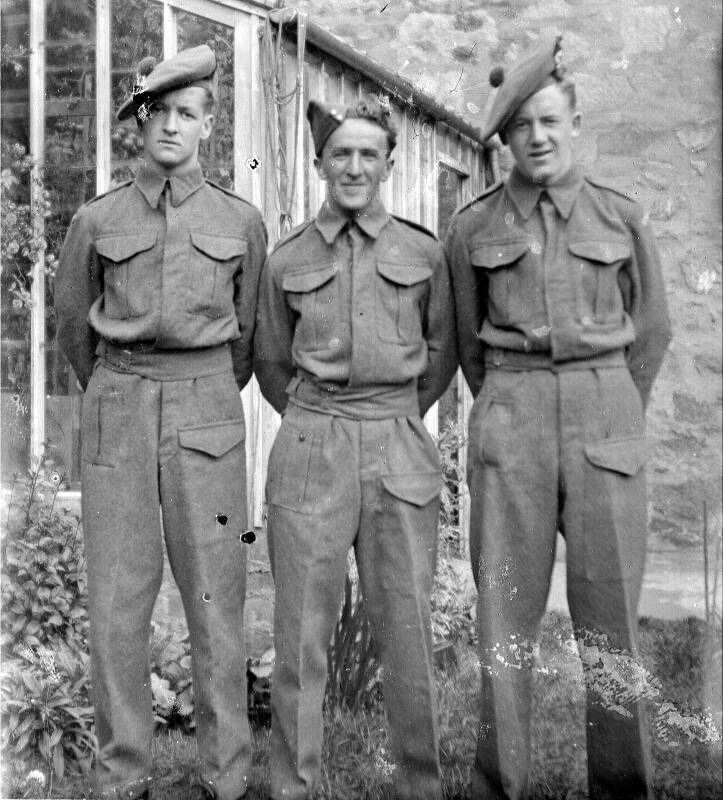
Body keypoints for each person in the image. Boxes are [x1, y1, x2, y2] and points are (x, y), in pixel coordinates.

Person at [445, 32, 671, 800]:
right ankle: (497, 784)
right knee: (503, 615)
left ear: (574, 123)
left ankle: (621, 785)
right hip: (511, 413)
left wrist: (612, 406)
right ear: (504, 139)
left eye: (548, 121)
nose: (536, 138)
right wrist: (511, 401)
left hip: (605, 414)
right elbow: (465, 339)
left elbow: (652, 330)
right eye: (520, 126)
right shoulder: (473, 227)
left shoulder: (620, 215)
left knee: (610, 617)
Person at [55, 45, 267, 800]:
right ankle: (124, 774)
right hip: (118, 405)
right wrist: (121, 389)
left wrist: (198, 387)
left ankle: (226, 775)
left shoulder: (239, 220)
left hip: (206, 409)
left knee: (216, 594)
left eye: (188, 112)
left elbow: (248, 335)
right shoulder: (96, 218)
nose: (172, 125)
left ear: (208, 125)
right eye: (159, 112)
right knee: (117, 599)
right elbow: (73, 329)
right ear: (139, 125)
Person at [254, 96, 457, 800]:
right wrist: (319, 421)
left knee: (406, 627)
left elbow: (441, 353)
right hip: (313, 441)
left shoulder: (422, 252)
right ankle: (292, 784)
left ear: (389, 165)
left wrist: (391, 416)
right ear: (319, 164)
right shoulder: (287, 258)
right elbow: (271, 361)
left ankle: (420, 785)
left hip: (398, 441)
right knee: (300, 631)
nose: (353, 166)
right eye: (340, 153)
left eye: (369, 154)